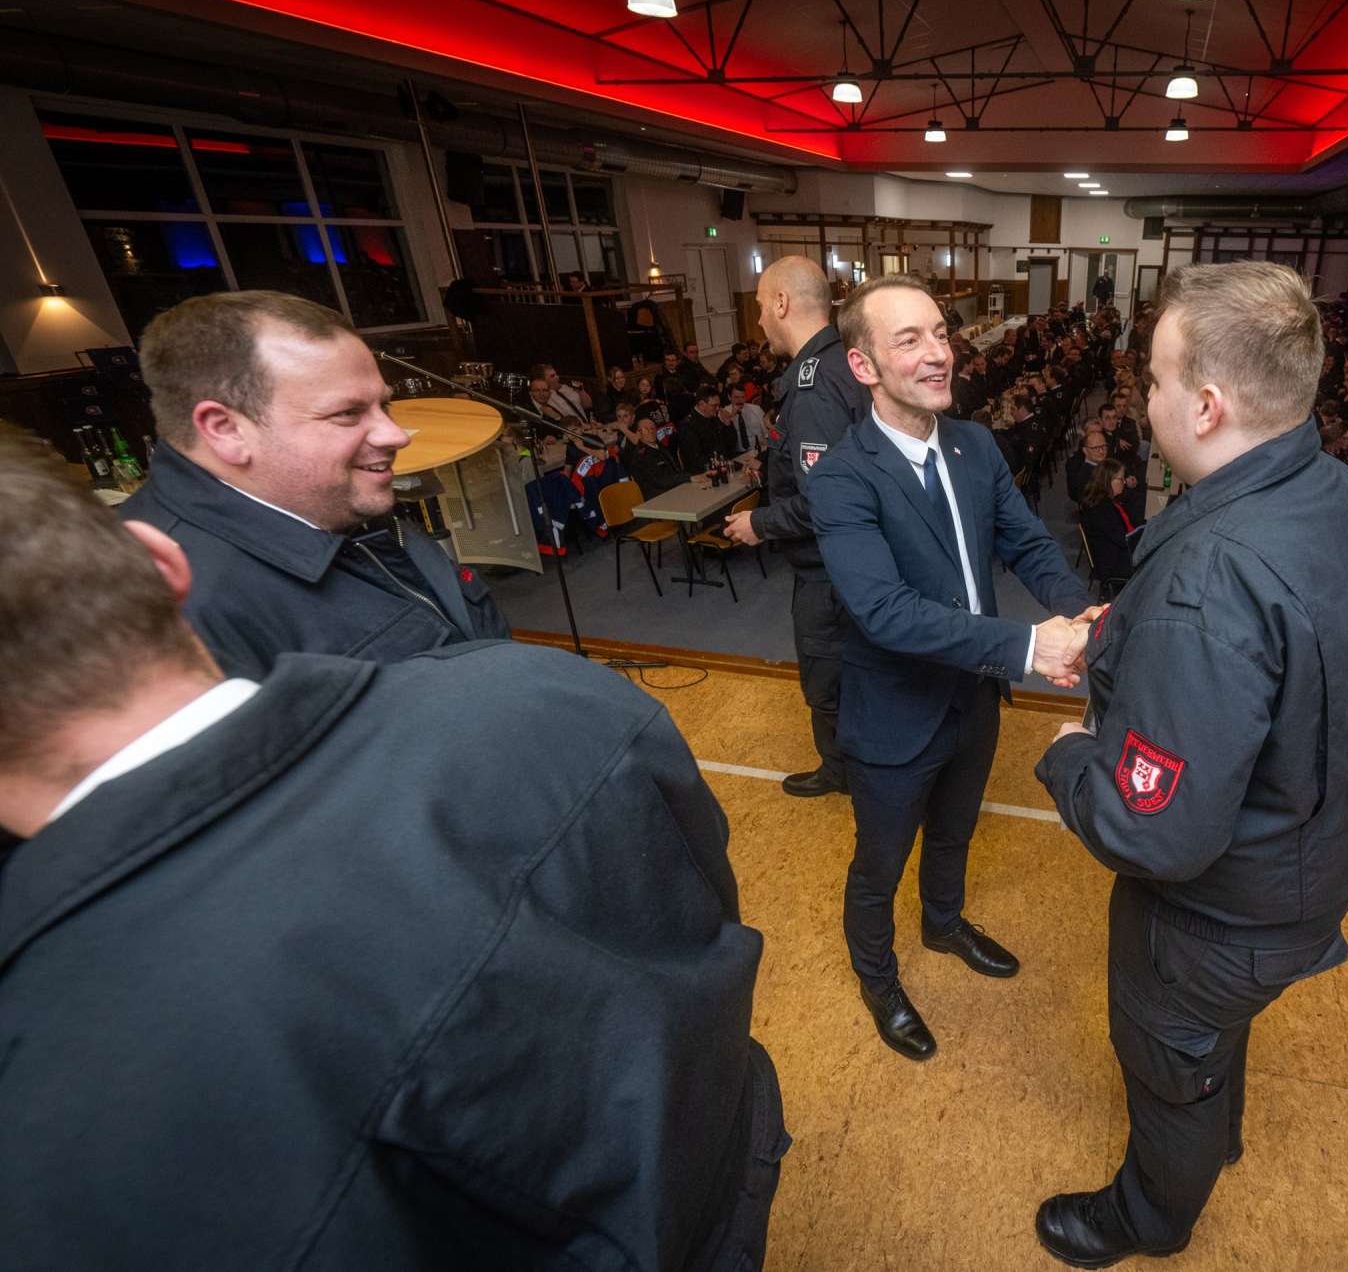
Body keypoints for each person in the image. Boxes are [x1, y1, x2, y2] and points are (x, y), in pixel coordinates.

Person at [0, 431, 784, 1272]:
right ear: (159, 562)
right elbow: (704, 920)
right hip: (730, 1173)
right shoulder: (550, 690)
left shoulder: (48, 1121)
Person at [1033, 262, 1348, 1268]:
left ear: (1204, 404)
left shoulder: (1213, 574)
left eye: (1153, 379)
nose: (1144, 398)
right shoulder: (1339, 494)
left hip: (1217, 917)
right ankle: (1213, 1127)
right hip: (1306, 862)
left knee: (1169, 1062)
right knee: (1207, 1044)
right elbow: (1286, 655)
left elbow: (1154, 831)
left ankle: (1148, 1219)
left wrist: (1068, 758)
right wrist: (1133, 634)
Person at [809, 274, 1096, 1063]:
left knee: (955, 832)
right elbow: (885, 611)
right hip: (895, 715)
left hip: (973, 698)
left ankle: (942, 924)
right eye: (910, 340)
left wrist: (1081, 615)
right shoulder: (840, 477)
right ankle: (879, 980)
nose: (939, 353)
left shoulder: (975, 445)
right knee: (879, 864)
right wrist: (1031, 646)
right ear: (863, 365)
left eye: (940, 333)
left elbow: (1029, 543)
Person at [117, 291, 510, 680]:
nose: (395, 435)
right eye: (348, 413)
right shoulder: (169, 619)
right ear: (227, 430)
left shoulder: (336, 503)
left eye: (384, 406)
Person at [722, 256, 871, 798]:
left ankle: (845, 774)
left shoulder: (814, 385)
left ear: (782, 303)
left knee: (828, 682)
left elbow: (823, 501)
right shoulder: (844, 362)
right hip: (852, 564)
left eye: (763, 306)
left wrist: (759, 523)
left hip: (829, 574)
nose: (761, 320)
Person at [1078, 458, 1144, 589]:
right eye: (1121, 479)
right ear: (1108, 481)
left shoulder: (1107, 500)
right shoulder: (1101, 510)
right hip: (1113, 562)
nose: (1124, 482)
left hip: (1116, 550)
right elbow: (1123, 540)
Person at [675, 386, 743, 472]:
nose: (718, 409)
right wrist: (723, 465)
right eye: (714, 405)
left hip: (722, 463)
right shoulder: (687, 426)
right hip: (704, 471)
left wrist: (727, 424)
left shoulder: (713, 418)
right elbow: (696, 460)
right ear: (702, 404)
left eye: (719, 405)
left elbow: (731, 444)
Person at [1069, 425, 1109, 504]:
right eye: (1095, 448)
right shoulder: (1085, 476)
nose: (1101, 451)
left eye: (1103, 446)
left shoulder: (1105, 462)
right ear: (1085, 451)